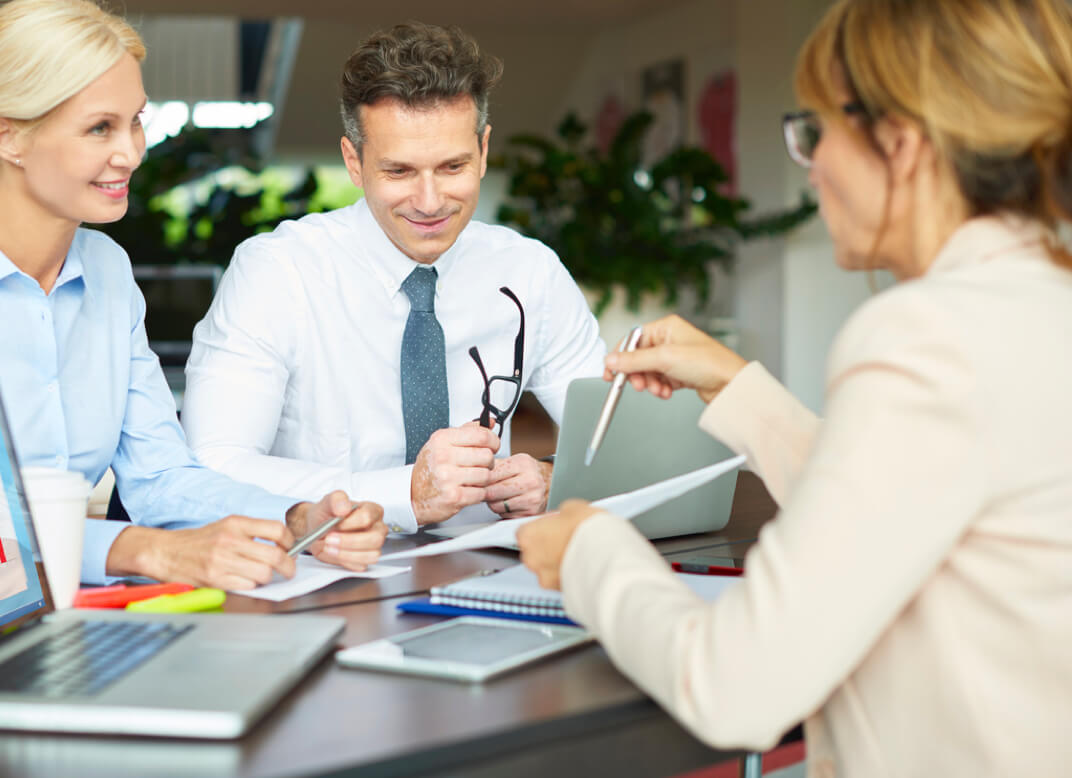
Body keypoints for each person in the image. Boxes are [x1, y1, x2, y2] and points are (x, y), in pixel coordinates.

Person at [517, 0, 1072, 774]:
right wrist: (735, 385)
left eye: (817, 132)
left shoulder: (926, 335)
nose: (811, 165)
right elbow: (907, 503)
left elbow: (736, 687)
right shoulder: (1040, 304)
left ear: (901, 143)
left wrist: (590, 551)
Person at [0, 0, 387, 589]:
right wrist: (145, 550)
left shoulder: (107, 272)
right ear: (9, 137)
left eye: (134, 120)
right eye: (98, 127)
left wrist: (292, 518)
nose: (131, 152)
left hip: (69, 622)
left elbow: (160, 474)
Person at [180, 22, 605, 535]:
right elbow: (214, 466)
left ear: (484, 150)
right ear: (353, 162)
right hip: (325, 573)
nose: (430, 202)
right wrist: (404, 494)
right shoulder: (276, 273)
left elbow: (611, 442)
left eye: (452, 167)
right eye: (399, 172)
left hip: (486, 569)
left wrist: (554, 478)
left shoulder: (530, 272)